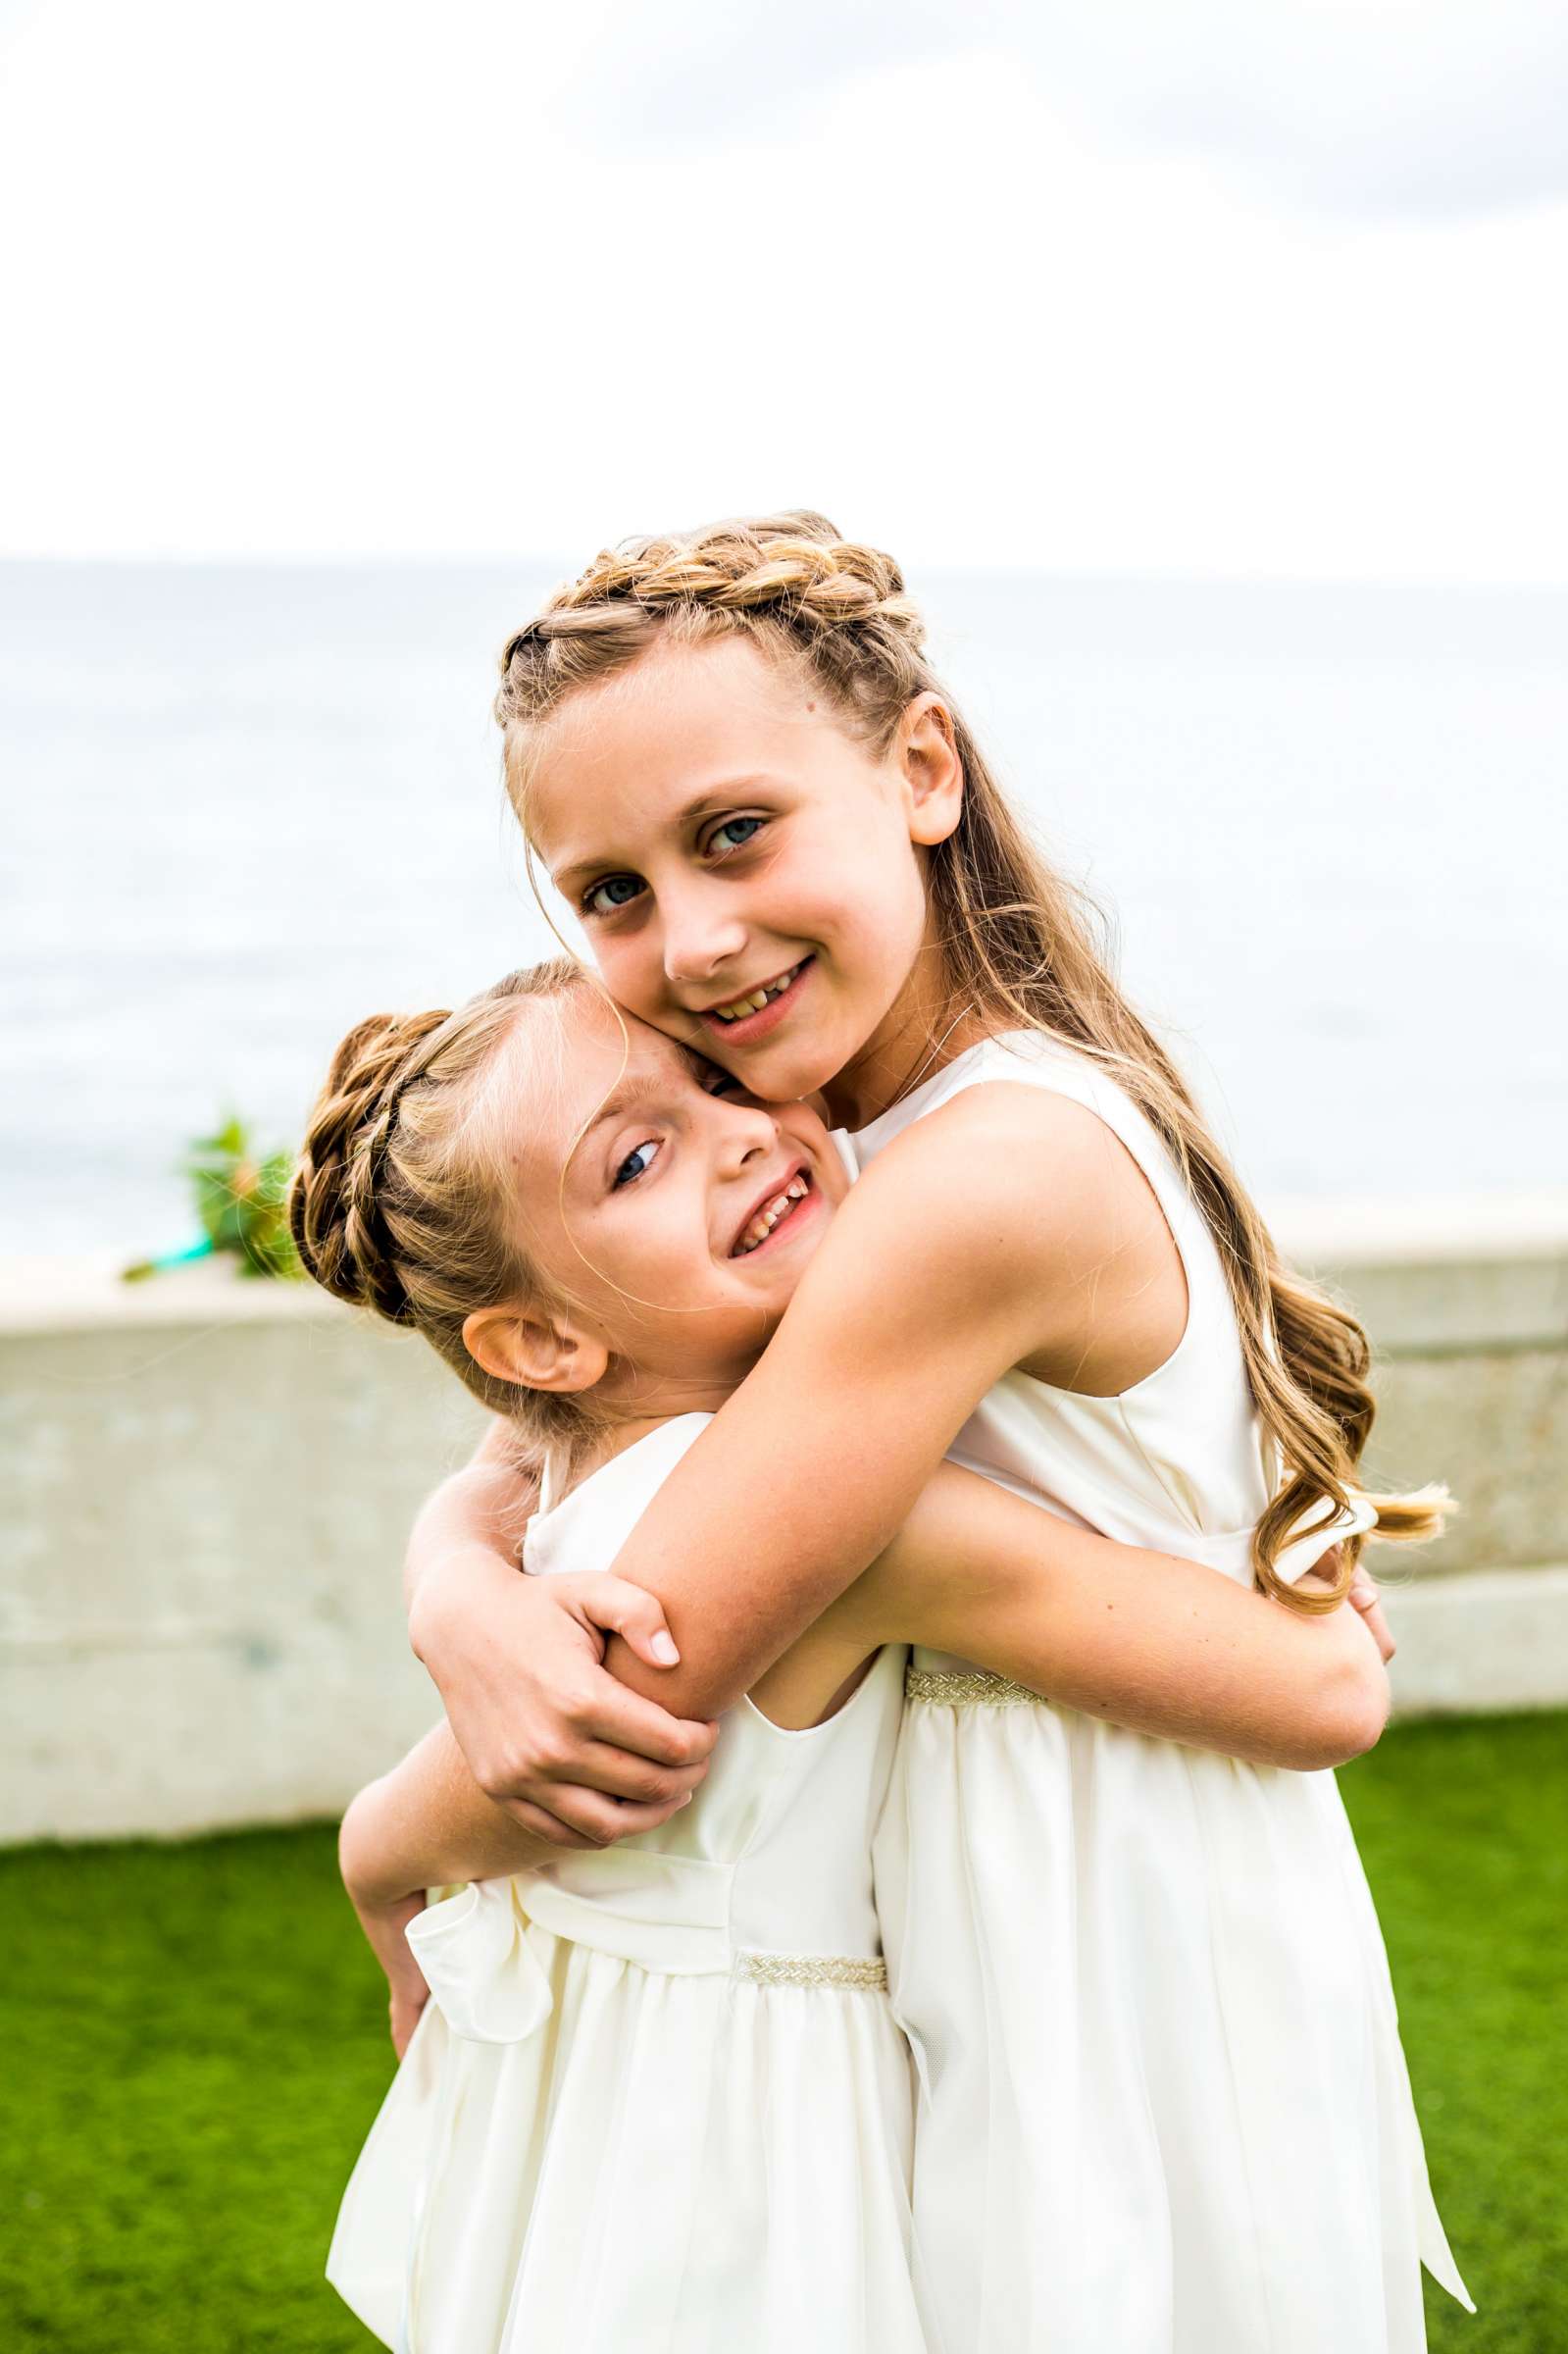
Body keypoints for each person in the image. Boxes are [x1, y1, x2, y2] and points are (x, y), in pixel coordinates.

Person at [402, 512, 1470, 2349]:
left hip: (1111, 1919)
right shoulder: (841, 1140)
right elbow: (544, 1460)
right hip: (995, 1895)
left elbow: (660, 1650)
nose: (694, 937)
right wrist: (452, 1579)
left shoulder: (971, 1183)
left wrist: (376, 1842)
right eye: (610, 893)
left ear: (919, 768)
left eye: (733, 832)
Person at [293, 966, 1394, 2354]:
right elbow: (1327, 1694)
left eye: (717, 1081)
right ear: (545, 1341)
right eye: (639, 1156)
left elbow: (511, 1450)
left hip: (579, 2119)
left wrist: (447, 1565)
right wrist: (1284, 1570)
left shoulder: (575, 1498)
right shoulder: (850, 1532)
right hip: (753, 2160)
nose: (741, 1133)